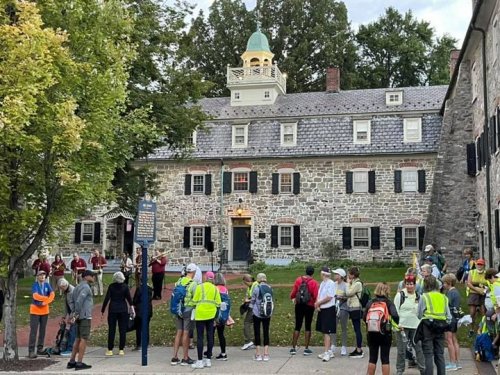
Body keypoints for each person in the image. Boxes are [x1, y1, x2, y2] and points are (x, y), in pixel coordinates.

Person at [417, 275, 451, 375]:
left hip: (428, 326)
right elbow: (448, 316)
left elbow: (419, 314)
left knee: (428, 354)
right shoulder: (444, 297)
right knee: (439, 354)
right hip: (441, 327)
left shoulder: (424, 297)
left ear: (425, 285)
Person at [364, 282, 399, 375]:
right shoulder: (388, 303)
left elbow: (364, 317)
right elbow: (395, 315)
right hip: (385, 333)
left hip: (372, 332)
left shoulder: (370, 302)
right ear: (387, 291)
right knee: (385, 358)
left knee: (372, 358)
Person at [394, 275, 425, 375]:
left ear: (415, 285)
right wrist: (398, 324)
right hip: (402, 326)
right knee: (401, 349)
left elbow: (421, 311)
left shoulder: (419, 296)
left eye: (411, 284)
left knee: (419, 348)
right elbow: (395, 311)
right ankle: (400, 369)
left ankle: (422, 369)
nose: (409, 286)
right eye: (407, 284)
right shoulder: (400, 295)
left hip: (415, 326)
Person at [191, 271, 221, 369]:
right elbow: (218, 303)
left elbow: (194, 300)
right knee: (210, 336)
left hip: (200, 314)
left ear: (205, 278)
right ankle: (208, 360)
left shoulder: (200, 287)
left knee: (200, 337)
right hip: (211, 314)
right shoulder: (215, 289)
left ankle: (199, 360)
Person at [67, 270, 95, 371]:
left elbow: (71, 301)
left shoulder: (76, 287)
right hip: (84, 316)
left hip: (78, 316)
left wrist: (73, 313)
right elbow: (79, 300)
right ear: (86, 276)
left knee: (77, 338)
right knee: (84, 338)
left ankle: (72, 361)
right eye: (92, 276)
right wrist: (77, 313)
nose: (94, 278)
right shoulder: (86, 287)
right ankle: (79, 362)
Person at [171, 263, 198, 366]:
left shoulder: (179, 281)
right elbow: (195, 298)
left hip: (178, 310)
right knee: (186, 333)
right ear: (194, 272)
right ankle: (185, 358)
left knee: (179, 332)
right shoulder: (193, 284)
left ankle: (174, 357)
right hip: (188, 310)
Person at [101, 271, 133, 356]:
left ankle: (110, 349)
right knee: (122, 330)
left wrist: (103, 310)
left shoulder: (111, 286)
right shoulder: (125, 287)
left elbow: (107, 298)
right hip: (123, 309)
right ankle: (121, 349)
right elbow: (129, 298)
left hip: (113, 309)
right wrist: (132, 307)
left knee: (112, 329)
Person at [289, 265, 319, 356]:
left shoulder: (298, 280)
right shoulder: (314, 282)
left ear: (305, 271)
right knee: (308, 326)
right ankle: (306, 348)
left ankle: (293, 348)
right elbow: (315, 295)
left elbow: (293, 292)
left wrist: (293, 298)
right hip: (309, 305)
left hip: (299, 305)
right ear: (312, 273)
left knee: (297, 325)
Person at [28, 270, 55, 358]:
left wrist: (45, 302)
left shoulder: (47, 285)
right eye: (41, 275)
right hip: (35, 311)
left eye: (44, 275)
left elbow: (52, 295)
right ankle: (31, 351)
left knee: (42, 331)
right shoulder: (35, 285)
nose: (43, 276)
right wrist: (46, 298)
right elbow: (35, 296)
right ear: (37, 276)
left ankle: (40, 349)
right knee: (33, 331)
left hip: (45, 311)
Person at [315, 266, 336, 362]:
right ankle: (328, 351)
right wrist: (317, 304)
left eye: (321, 273)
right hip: (322, 309)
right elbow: (319, 295)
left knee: (327, 331)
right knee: (324, 331)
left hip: (329, 309)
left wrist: (319, 303)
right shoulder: (322, 283)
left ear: (323, 274)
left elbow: (329, 297)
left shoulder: (331, 283)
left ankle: (327, 352)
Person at [250, 273, 273, 362]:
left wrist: (251, 309)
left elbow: (252, 301)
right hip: (267, 313)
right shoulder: (270, 288)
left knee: (257, 332)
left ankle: (258, 354)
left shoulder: (256, 288)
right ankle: (266, 354)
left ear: (258, 279)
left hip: (257, 313)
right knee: (266, 331)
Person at [442, 273, 462, 371]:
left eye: (444, 283)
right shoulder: (456, 292)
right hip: (455, 319)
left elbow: (447, 306)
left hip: (450, 319)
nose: (443, 285)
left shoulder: (450, 293)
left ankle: (452, 363)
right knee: (454, 340)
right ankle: (457, 362)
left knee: (449, 341)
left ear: (449, 283)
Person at [345, 266, 364, 358]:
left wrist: (348, 283)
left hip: (356, 308)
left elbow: (348, 293)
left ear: (353, 275)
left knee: (357, 329)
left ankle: (359, 350)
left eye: (349, 273)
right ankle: (358, 348)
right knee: (356, 328)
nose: (348, 275)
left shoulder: (357, 284)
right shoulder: (354, 283)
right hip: (352, 307)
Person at [467, 257, 487, 336]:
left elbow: (487, 283)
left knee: (484, 313)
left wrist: (482, 289)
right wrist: (477, 289)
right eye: (478, 264)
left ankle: (482, 329)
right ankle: (471, 329)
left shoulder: (486, 273)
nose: (479, 265)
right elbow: (469, 283)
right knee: (472, 313)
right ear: (476, 264)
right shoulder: (471, 272)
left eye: (481, 264)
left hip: (483, 294)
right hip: (473, 294)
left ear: (484, 265)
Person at [132, 279, 154, 351]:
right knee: (146, 327)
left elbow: (135, 300)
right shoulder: (150, 289)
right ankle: (146, 344)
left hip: (140, 310)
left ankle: (139, 344)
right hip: (148, 310)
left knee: (139, 328)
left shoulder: (139, 289)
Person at [332, 268, 349, 356]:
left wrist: (341, 297)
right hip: (334, 307)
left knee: (343, 327)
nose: (334, 275)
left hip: (343, 308)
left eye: (336, 274)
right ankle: (333, 345)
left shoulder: (346, 285)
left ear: (340, 276)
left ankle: (344, 346)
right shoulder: (333, 284)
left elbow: (348, 296)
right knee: (333, 326)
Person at [57, 278, 76, 356]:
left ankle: (70, 349)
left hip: (75, 313)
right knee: (71, 330)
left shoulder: (72, 291)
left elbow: (75, 306)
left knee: (72, 331)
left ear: (65, 286)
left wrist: (71, 317)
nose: (61, 290)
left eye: (61, 288)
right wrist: (64, 316)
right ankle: (71, 348)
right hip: (71, 312)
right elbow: (66, 305)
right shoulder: (66, 291)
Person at [214, 272, 230, 360]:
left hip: (215, 314)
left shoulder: (214, 288)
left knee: (211, 333)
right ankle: (223, 353)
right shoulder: (225, 289)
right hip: (223, 314)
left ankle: (209, 351)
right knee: (221, 334)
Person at [241, 274, 259, 350]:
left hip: (254, 307)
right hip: (255, 307)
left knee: (247, 323)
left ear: (247, 281)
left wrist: (248, 300)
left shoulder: (255, 285)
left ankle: (248, 341)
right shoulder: (251, 286)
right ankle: (256, 341)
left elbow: (256, 297)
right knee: (255, 324)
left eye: (245, 283)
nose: (245, 284)